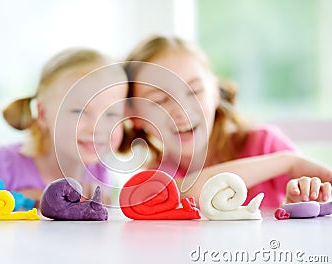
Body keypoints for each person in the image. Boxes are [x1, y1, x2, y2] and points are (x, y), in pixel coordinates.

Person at [119, 35, 332, 208]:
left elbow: (314, 204)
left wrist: (300, 204)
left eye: (195, 91)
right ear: (135, 115)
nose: (181, 110)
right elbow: (181, 192)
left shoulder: (264, 144)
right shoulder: (155, 177)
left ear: (215, 93)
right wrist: (286, 161)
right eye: (160, 100)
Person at [0, 48, 128, 206]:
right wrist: (29, 198)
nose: (96, 128)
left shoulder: (99, 173)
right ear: (42, 114)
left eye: (111, 114)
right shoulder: (0, 166)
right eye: (79, 111)